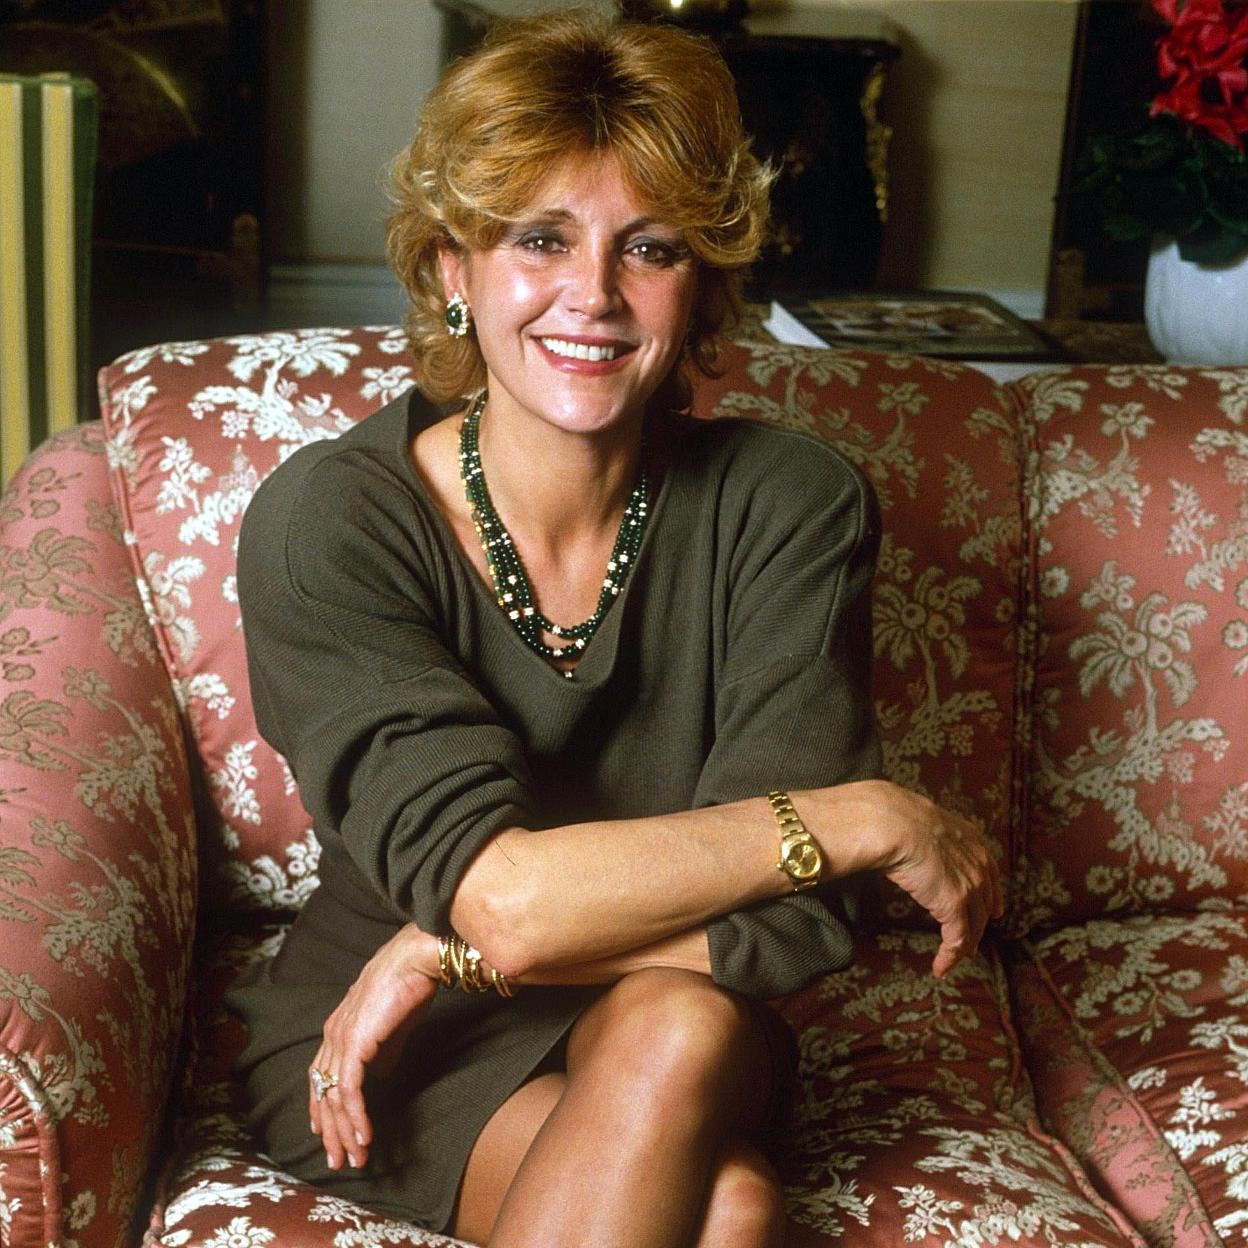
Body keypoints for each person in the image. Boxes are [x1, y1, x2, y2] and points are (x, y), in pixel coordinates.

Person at [226, 11, 1002, 1247]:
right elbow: (504, 896)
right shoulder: (333, 520)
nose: (591, 295)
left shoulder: (789, 504)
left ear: (700, 284)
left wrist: (445, 951)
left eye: (648, 248)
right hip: (391, 1051)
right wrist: (866, 817)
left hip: (666, 1004)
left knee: (677, 1024)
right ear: (453, 270)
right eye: (540, 239)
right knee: (733, 1210)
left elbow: (801, 918)